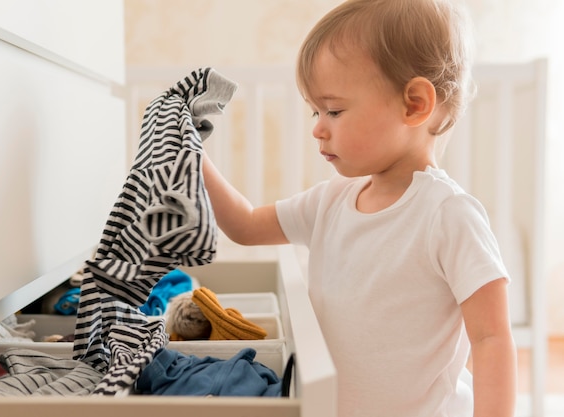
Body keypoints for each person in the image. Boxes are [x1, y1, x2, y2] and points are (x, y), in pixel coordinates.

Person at [202, 0, 517, 416]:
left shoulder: (448, 215)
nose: (317, 126)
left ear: (414, 104)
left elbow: (492, 338)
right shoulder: (330, 201)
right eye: (316, 110)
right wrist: (194, 155)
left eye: (333, 110)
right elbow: (244, 225)